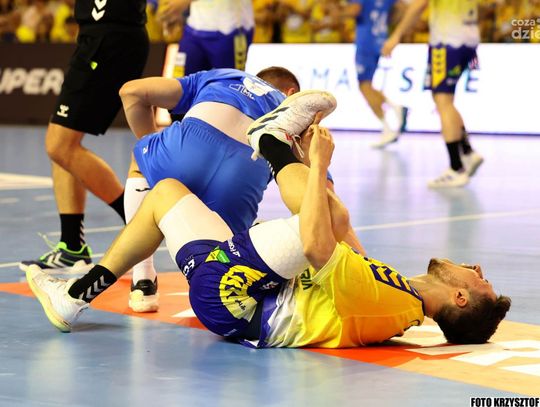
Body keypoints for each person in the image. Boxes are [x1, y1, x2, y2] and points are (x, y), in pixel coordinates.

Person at [25, 91, 510, 346]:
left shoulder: (391, 304)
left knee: (329, 216)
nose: (477, 268)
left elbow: (319, 244)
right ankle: (74, 297)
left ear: (461, 297)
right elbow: (344, 245)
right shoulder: (397, 294)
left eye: (481, 281)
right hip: (234, 289)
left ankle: (270, 140)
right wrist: (313, 169)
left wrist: (314, 163)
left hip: (236, 298)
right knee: (166, 193)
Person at [119, 67, 365, 313]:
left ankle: (143, 279)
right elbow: (327, 206)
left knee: (140, 163)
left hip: (184, 152)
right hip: (239, 184)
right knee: (224, 264)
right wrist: (366, 266)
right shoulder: (295, 115)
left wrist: (160, 156)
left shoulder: (226, 76)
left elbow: (131, 91)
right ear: (292, 93)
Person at [19, 0, 149, 272]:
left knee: (59, 145)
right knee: (61, 139)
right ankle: (72, 247)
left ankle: (138, 220)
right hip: (96, 37)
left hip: (109, 39)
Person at [382, 0, 484, 188]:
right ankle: (467, 152)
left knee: (442, 100)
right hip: (469, 39)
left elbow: (420, 4)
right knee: (445, 100)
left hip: (447, 41)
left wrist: (396, 35)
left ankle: (456, 168)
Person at [341, 0, 407, 149]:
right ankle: (396, 110)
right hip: (380, 39)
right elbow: (401, 8)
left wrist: (338, 13)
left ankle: (388, 125)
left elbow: (355, 10)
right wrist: (388, 20)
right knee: (367, 84)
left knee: (364, 86)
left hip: (365, 42)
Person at [156, 0, 254, 78]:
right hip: (193, 28)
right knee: (183, 84)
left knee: (228, 87)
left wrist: (184, 2)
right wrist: (174, 14)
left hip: (230, 30)